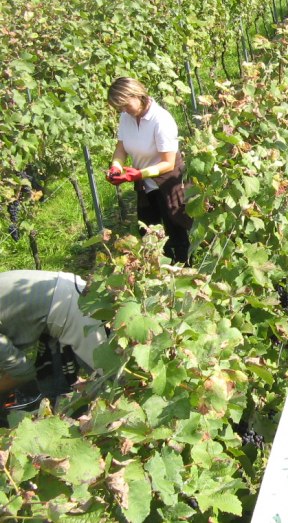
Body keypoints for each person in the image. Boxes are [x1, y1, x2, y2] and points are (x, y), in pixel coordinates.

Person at [104, 77, 192, 265]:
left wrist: (138, 174)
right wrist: (116, 166)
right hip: (145, 185)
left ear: (137, 95)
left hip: (168, 182)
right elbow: (121, 148)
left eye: (125, 105)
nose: (123, 110)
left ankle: (184, 270)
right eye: (120, 107)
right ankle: (159, 270)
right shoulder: (126, 117)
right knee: (148, 233)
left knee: (176, 230)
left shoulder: (161, 120)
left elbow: (168, 163)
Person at [0, 270, 107, 398]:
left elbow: (23, 372)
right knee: (52, 388)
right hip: (62, 292)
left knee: (109, 383)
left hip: (75, 308)